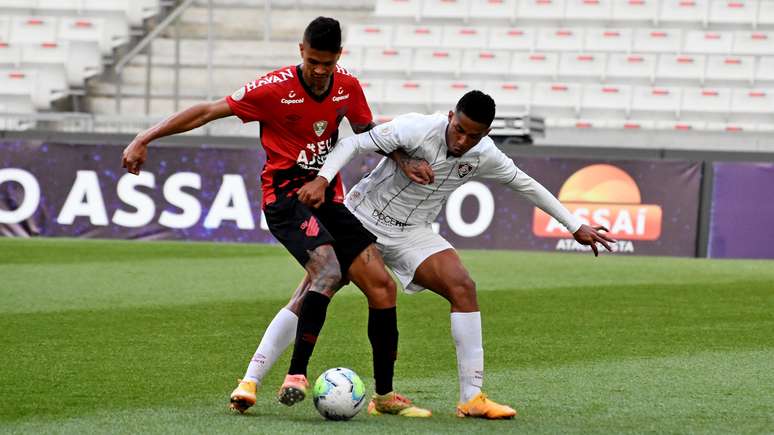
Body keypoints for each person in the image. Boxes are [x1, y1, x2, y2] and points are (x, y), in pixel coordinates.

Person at [121, 17, 430, 418]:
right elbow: (207, 111)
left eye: (328, 63)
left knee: (382, 287)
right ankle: (295, 375)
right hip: (285, 198)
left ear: (338, 57)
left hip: (328, 198)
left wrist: (402, 159)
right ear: (301, 50)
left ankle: (384, 397)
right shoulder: (273, 89)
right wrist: (144, 138)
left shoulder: (347, 87)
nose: (320, 71)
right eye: (313, 61)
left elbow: (366, 130)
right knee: (327, 271)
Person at [296, 90, 617, 419]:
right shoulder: (417, 128)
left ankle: (472, 398)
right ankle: (253, 379)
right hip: (361, 219)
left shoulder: (485, 154)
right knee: (313, 291)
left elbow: (526, 184)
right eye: (459, 129)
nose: (463, 140)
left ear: (486, 134)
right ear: (451, 116)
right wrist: (322, 180)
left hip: (412, 232)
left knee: (463, 285)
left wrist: (574, 225)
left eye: (473, 135)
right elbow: (353, 143)